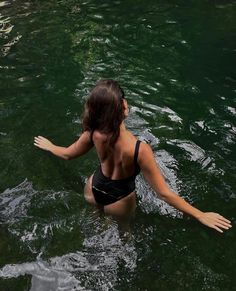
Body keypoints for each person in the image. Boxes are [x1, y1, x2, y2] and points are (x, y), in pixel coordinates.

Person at [34, 79, 232, 233]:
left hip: (92, 190)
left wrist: (50, 146)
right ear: (124, 107)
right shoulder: (140, 149)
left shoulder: (93, 133)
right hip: (119, 202)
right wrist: (200, 215)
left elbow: (68, 155)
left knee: (96, 222)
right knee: (124, 236)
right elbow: (163, 193)